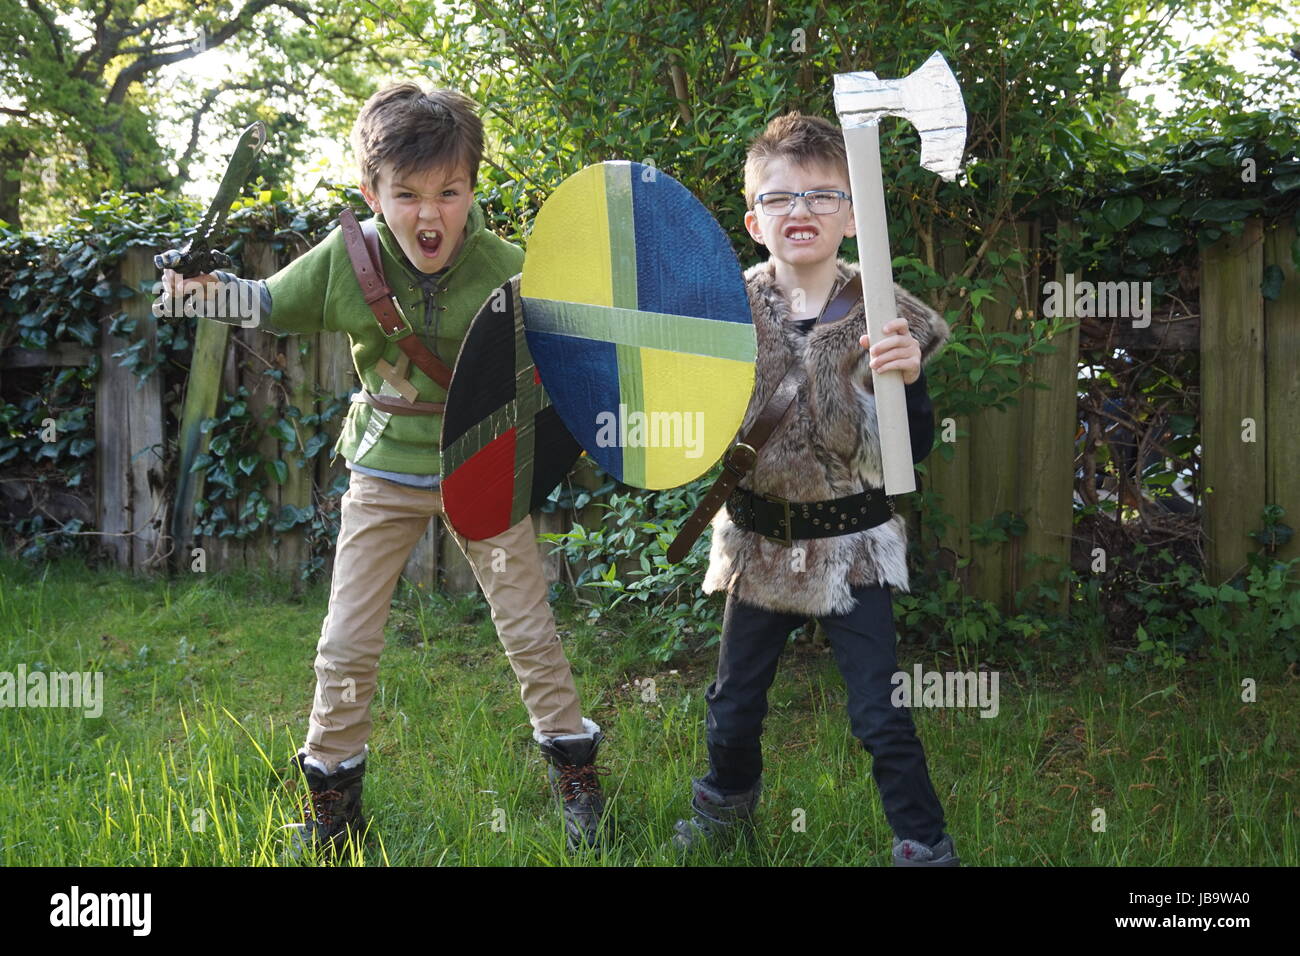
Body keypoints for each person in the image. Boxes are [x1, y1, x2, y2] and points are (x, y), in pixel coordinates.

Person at [162, 84, 609, 856]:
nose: (428, 215)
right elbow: (263, 301)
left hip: (483, 463)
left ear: (474, 188)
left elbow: (571, 357)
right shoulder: (348, 258)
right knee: (346, 640)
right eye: (405, 195)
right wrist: (197, 295)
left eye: (449, 192)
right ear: (372, 192)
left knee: (529, 628)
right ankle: (333, 803)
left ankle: (577, 781)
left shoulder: (510, 268)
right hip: (382, 471)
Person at [672, 111, 959, 866]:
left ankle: (924, 844)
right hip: (759, 544)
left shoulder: (885, 316)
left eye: (823, 196)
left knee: (880, 714)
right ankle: (726, 807)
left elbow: (912, 451)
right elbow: (690, 429)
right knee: (733, 707)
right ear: (753, 219)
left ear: (854, 214)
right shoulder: (722, 311)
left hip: (852, 544)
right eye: (780, 198)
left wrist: (909, 382)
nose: (801, 211)